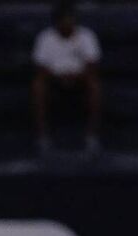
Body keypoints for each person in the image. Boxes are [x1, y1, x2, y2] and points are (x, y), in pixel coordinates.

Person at [32, 0, 103, 153]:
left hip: (80, 79)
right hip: (54, 80)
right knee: (38, 86)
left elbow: (92, 66)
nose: (67, 23)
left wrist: (74, 77)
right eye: (63, 19)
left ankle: (92, 136)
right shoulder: (45, 38)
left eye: (70, 19)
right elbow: (41, 68)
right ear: (56, 22)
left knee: (94, 85)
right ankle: (43, 136)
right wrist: (60, 77)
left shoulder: (86, 36)